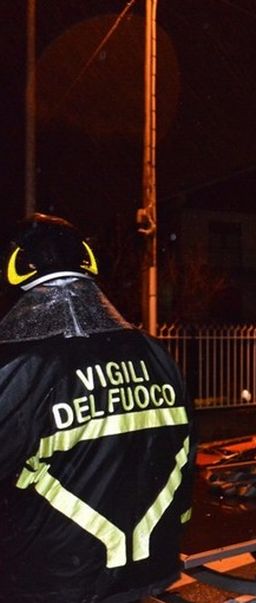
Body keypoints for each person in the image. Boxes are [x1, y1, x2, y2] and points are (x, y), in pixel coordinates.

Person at [0, 213, 195, 602]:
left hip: (51, 579)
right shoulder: (154, 351)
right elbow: (186, 449)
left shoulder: (20, 367)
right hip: (150, 566)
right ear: (88, 261)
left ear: (15, 269)